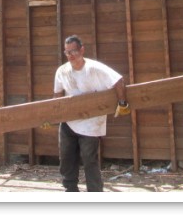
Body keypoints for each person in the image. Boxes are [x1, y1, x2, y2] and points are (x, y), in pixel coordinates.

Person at [53, 35, 130, 192]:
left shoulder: (95, 69)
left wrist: (122, 103)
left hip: (91, 123)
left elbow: (118, 81)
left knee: (89, 160)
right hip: (69, 122)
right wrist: (55, 114)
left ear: (82, 49)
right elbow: (57, 94)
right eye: (67, 52)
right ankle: (70, 190)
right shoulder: (62, 71)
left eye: (73, 51)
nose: (70, 55)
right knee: (66, 158)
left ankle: (95, 193)